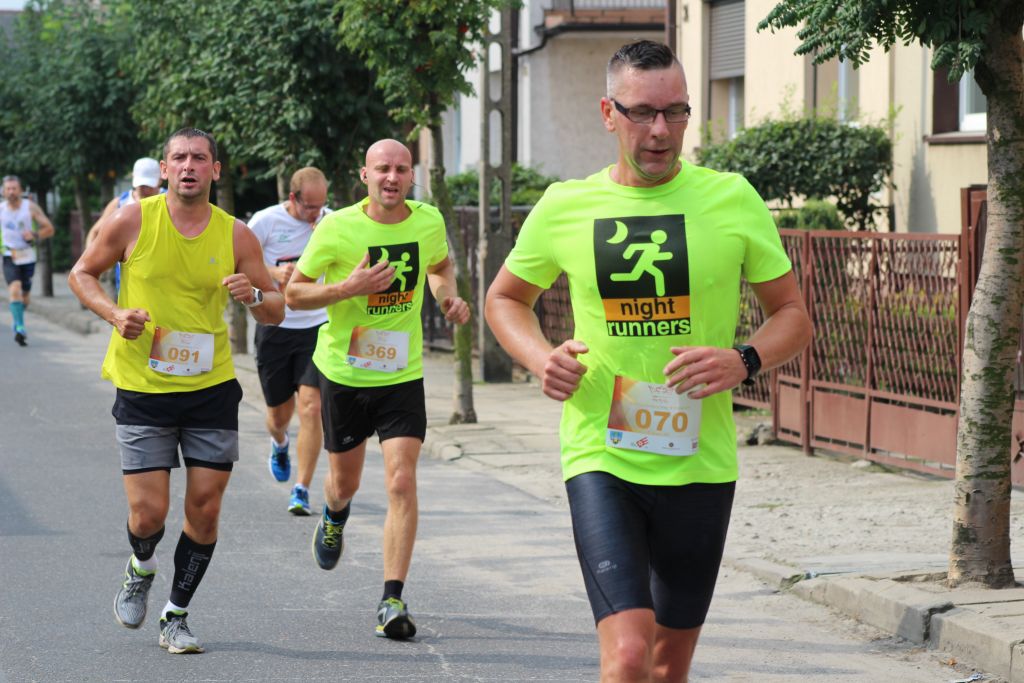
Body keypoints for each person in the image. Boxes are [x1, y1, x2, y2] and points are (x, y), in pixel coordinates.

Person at [484, 40, 812, 681]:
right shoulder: (566, 205)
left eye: (675, 111)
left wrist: (744, 359)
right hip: (601, 455)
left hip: (700, 462)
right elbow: (505, 299)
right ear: (609, 113)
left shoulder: (732, 199)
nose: (660, 130)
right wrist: (541, 358)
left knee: (666, 667)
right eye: (641, 112)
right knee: (628, 654)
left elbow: (793, 316)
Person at [68, 128, 284, 654]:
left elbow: (277, 308)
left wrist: (254, 295)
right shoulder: (133, 220)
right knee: (149, 515)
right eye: (179, 158)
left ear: (215, 170)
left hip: (210, 388)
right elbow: (82, 274)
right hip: (143, 386)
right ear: (164, 169)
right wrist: (114, 313)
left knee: (204, 510)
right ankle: (141, 566)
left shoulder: (237, 235)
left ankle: (176, 615)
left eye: (199, 158)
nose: (189, 166)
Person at [285, 138, 470, 640]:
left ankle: (392, 598)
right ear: (364, 175)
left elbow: (439, 267)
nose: (392, 177)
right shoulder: (337, 227)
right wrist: (346, 289)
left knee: (401, 481)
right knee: (343, 484)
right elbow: (294, 293)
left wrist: (448, 298)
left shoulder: (428, 221)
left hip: (401, 375)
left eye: (402, 169)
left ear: (412, 175)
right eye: (383, 168)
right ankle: (334, 515)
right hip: (345, 376)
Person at [247, 166, 330, 515]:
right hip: (275, 325)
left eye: (322, 205)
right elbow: (238, 262)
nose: (317, 213)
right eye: (311, 207)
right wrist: (272, 272)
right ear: (293, 198)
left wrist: (325, 231)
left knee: (312, 407)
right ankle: (279, 441)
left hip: (318, 326)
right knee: (279, 415)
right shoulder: (265, 222)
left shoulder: (330, 222)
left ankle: (302, 488)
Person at [86, 157, 165, 296]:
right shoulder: (120, 203)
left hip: (165, 279)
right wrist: (92, 264)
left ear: (160, 180)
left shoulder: (171, 200)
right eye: (141, 184)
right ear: (133, 178)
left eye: (149, 184)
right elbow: (95, 232)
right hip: (127, 282)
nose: (144, 189)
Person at [1, 175, 55, 346]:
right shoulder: (1, 209)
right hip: (9, 255)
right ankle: (20, 327)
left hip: (27, 256)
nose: (11, 192)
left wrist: (35, 234)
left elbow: (49, 228)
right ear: (3, 191)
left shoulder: (30, 207)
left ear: (21, 190)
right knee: (14, 289)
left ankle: (17, 316)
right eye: (8, 189)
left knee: (25, 296)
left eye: (14, 188)